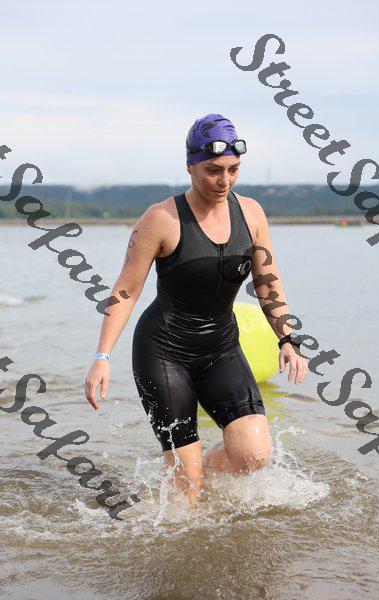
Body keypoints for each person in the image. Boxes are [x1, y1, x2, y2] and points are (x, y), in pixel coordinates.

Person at [84, 113, 308, 506]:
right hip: (164, 352)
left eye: (233, 169)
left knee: (254, 454)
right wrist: (102, 357)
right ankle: (185, 484)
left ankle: (196, 479)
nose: (224, 180)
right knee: (186, 488)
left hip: (221, 347)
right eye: (213, 170)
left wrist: (287, 339)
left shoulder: (251, 213)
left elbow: (268, 282)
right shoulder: (161, 219)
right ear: (190, 166)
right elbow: (125, 291)